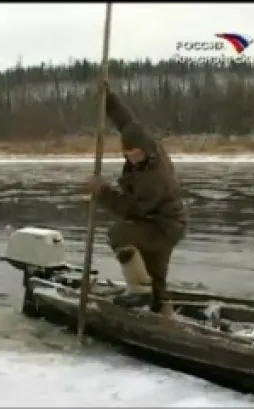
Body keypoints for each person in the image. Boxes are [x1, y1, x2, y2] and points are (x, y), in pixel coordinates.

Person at [86, 82, 187, 317]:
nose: (133, 160)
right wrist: (108, 98)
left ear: (146, 150)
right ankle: (163, 317)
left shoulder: (154, 177)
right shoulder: (141, 140)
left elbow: (131, 210)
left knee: (119, 234)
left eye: (137, 155)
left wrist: (102, 192)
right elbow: (125, 120)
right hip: (165, 221)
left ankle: (140, 291)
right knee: (157, 280)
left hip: (163, 227)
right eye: (128, 156)